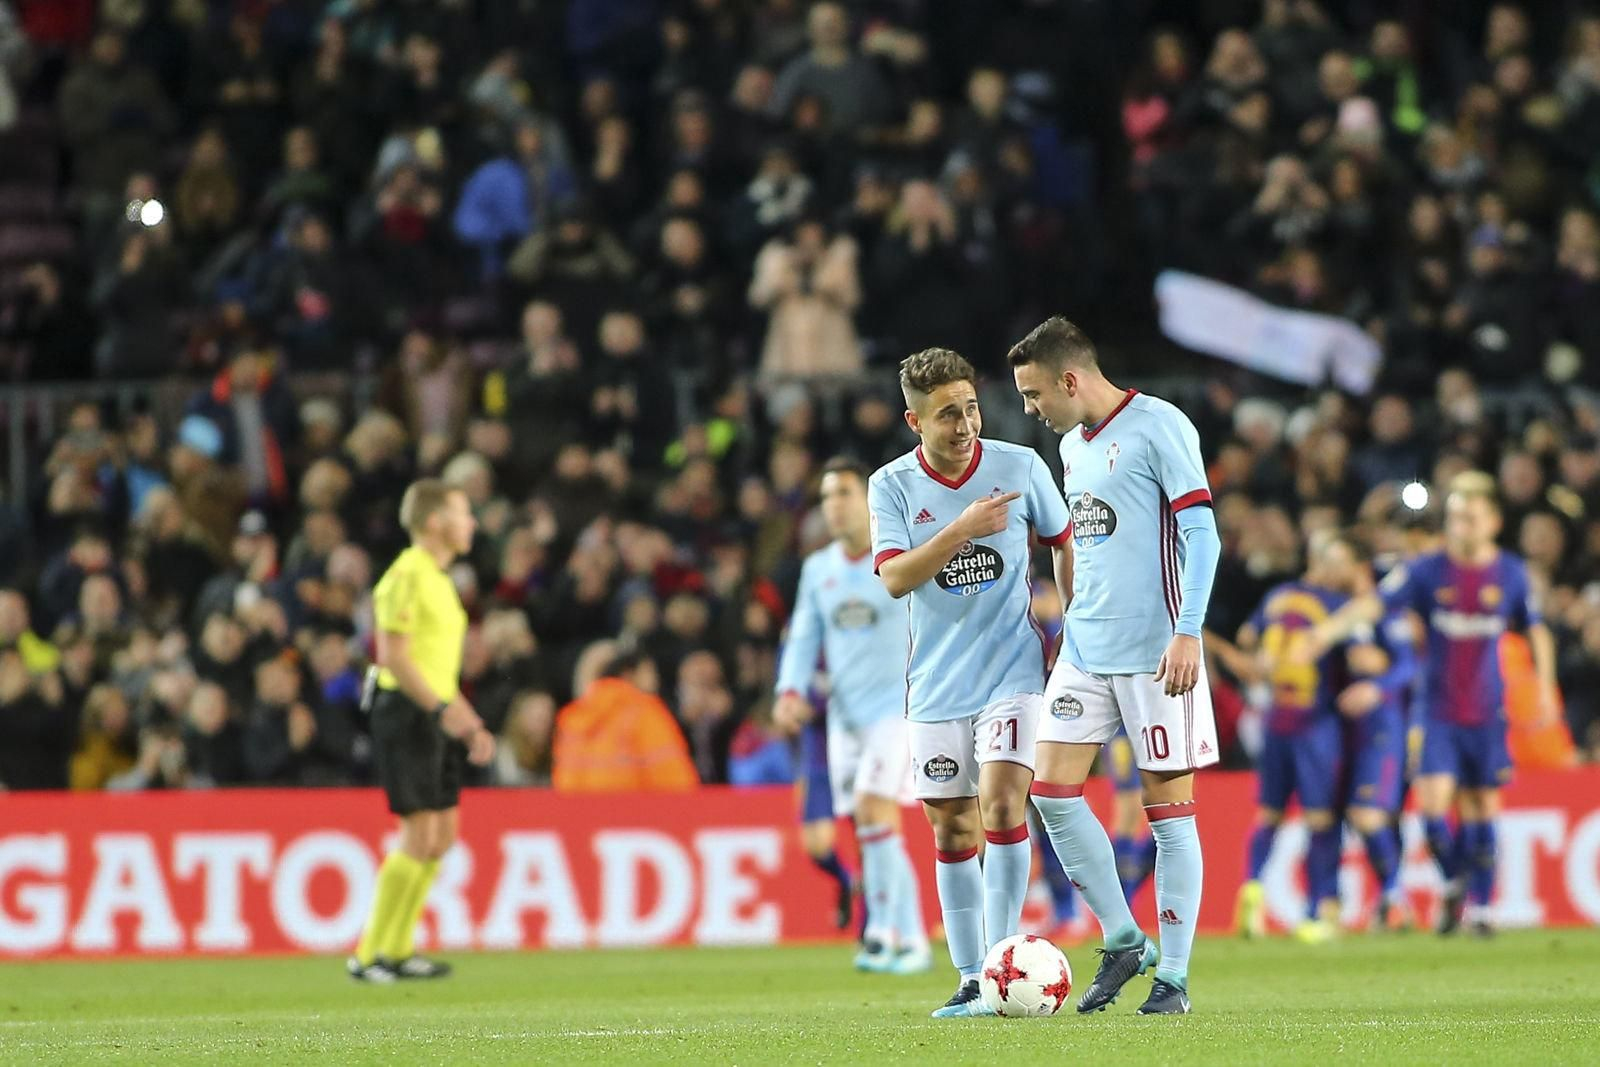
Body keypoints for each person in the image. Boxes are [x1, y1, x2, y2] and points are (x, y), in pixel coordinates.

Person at [1009, 317, 1222, 1016]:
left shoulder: (1161, 426)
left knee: (1168, 812)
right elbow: (1087, 542)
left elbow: (1202, 535)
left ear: (1071, 379)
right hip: (1086, 647)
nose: (1032, 409)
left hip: (1159, 653)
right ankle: (1125, 936)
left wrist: (1188, 632)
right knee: (1049, 790)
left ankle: (1176, 977)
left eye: (1036, 393)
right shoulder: (1072, 446)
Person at [867, 347, 1070, 1018]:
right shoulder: (892, 486)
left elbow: (1065, 538)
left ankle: (1001, 963)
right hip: (934, 683)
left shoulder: (1021, 466)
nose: (964, 425)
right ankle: (968, 977)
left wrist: (1073, 620)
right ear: (913, 419)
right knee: (952, 828)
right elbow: (895, 577)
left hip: (1013, 670)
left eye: (972, 407)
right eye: (947, 414)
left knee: (1004, 805)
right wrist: (961, 530)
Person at [1305, 472, 1559, 936]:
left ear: (1493, 522)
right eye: (1456, 516)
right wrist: (1326, 632)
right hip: (1437, 709)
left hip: (1486, 710)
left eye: (1471, 517)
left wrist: (1544, 685)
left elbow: (1535, 628)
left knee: (1483, 804)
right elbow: (1373, 605)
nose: (1462, 525)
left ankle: (1480, 911)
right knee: (1432, 807)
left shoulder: (1510, 573)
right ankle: (1457, 880)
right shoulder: (1427, 571)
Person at [774, 456, 928, 975]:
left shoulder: (901, 556)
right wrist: (790, 690)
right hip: (846, 717)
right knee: (871, 824)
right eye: (825, 497)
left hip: (900, 708)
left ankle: (887, 931)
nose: (833, 507)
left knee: (872, 807)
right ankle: (905, 938)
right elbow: (802, 637)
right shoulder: (819, 570)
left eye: (842, 493)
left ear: (867, 498)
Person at [348, 479, 495, 983]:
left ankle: (400, 948)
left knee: (441, 835)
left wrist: (466, 719)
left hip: (436, 710)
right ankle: (370, 954)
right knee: (417, 831)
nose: (471, 523)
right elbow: (393, 656)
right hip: (408, 712)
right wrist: (441, 711)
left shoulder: (439, 578)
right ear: (434, 522)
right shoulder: (407, 574)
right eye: (462, 513)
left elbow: (434, 664)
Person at [1231, 531, 1368, 944]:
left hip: (1276, 719)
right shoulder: (1340, 606)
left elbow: (1246, 636)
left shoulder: (1279, 596)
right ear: (1327, 562)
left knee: (1269, 814)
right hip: (1315, 723)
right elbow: (1363, 658)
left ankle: (1251, 887)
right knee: (1320, 818)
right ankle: (1317, 909)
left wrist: (1264, 659)